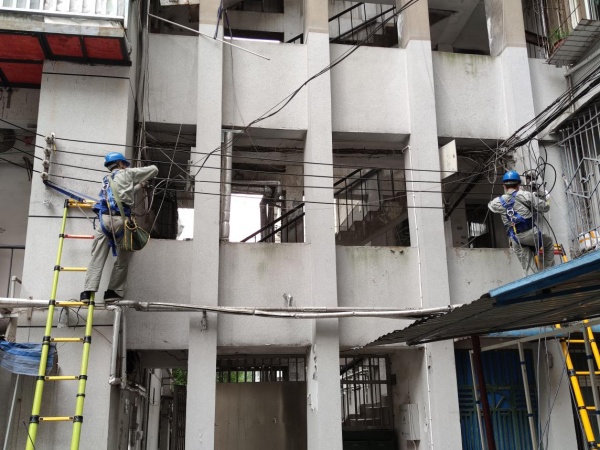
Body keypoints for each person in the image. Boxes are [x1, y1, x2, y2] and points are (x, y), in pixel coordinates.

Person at [80, 152, 158, 302]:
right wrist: (140, 177)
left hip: (104, 220)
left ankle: (87, 292)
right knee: (122, 259)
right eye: (125, 165)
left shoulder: (107, 180)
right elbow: (154, 170)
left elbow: (122, 191)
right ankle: (112, 292)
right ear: (121, 164)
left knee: (97, 257)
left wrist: (139, 185)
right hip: (121, 221)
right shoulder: (127, 173)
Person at [488, 170, 555, 272]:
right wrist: (546, 199)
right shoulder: (526, 195)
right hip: (531, 234)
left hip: (515, 238)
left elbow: (490, 206)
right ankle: (548, 272)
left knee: (529, 269)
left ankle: (535, 280)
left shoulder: (496, 202)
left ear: (504, 186)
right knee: (548, 243)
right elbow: (545, 207)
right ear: (518, 184)